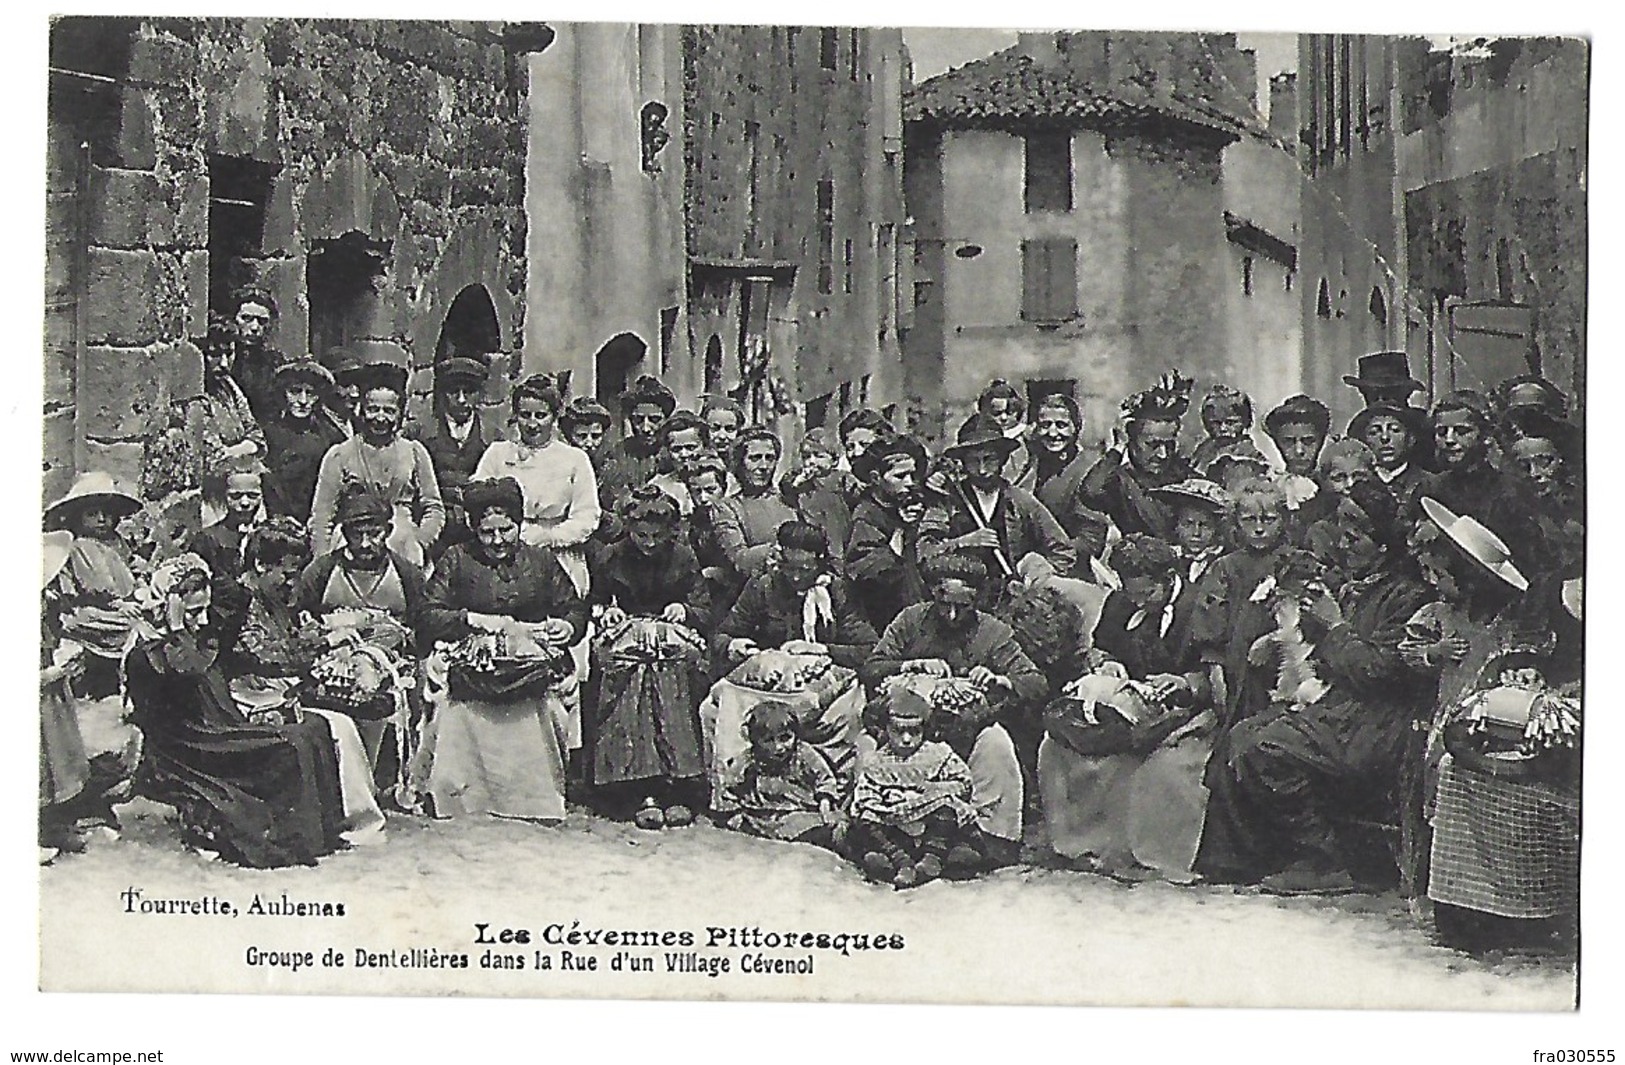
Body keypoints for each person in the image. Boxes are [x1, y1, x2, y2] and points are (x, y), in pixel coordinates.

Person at [1196, 482, 1433, 892]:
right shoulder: (1350, 584)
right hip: (1338, 707)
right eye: (1341, 531)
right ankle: (1240, 860)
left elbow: (1380, 671)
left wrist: (1335, 625)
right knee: (1240, 735)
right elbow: (1315, 648)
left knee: (1266, 747)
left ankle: (1326, 860)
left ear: (1381, 545)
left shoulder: (1406, 595)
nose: (1344, 543)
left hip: (1378, 720)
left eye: (1355, 536)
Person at [124, 554, 346, 867]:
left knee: (315, 726)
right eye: (193, 613)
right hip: (188, 745)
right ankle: (300, 838)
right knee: (289, 745)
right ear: (168, 606)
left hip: (219, 728)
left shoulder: (193, 639)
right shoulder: (148, 652)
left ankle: (325, 834)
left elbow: (236, 602)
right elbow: (189, 672)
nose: (202, 620)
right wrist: (176, 627)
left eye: (204, 610)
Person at [1038, 534, 1213, 882]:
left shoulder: (1199, 606)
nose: (1138, 601)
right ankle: (1090, 845)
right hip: (1130, 709)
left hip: (1189, 714)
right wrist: (1108, 665)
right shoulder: (1121, 603)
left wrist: (1183, 682)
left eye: (1147, 594)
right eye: (1132, 593)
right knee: (1058, 747)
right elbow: (1101, 648)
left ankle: (1160, 857)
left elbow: (1216, 670)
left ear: (1167, 579)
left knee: (1165, 768)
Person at [419, 478, 586, 823]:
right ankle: (461, 795)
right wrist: (472, 620)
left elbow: (573, 607)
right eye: (487, 533)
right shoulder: (456, 558)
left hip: (528, 658)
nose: (497, 541)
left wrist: (566, 627)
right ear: (474, 529)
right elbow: (429, 612)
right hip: (473, 649)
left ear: (519, 524)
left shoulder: (540, 560)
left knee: (546, 695)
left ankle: (535, 798)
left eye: (506, 530)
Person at [862, 552, 1045, 861]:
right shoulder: (910, 620)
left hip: (966, 731)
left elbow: (1036, 682)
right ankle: (883, 836)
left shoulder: (993, 632)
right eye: (944, 605)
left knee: (997, 743)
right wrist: (913, 664)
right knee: (865, 744)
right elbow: (871, 667)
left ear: (977, 601)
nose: (951, 615)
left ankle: (988, 839)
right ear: (933, 594)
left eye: (962, 607)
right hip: (907, 733)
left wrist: (1000, 679)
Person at [217, 518, 388, 844]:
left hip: (273, 692)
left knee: (350, 722)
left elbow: (289, 642)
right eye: (287, 572)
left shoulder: (272, 599)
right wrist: (324, 645)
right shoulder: (235, 600)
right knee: (336, 728)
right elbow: (262, 656)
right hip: (242, 699)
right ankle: (354, 822)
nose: (292, 582)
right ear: (259, 564)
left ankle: (353, 819)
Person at [587, 487, 713, 825]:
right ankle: (639, 788)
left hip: (671, 639)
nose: (649, 543)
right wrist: (606, 611)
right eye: (641, 535)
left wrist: (684, 609)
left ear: (671, 532)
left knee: (670, 674)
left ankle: (678, 786)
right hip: (626, 637)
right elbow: (594, 600)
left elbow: (703, 605)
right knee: (630, 676)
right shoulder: (611, 556)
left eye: (657, 535)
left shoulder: (684, 557)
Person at [295, 485, 428, 770]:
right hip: (332, 669)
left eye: (374, 533)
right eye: (357, 535)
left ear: (389, 530)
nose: (366, 543)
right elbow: (299, 620)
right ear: (344, 534)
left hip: (391, 668)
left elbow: (423, 630)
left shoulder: (407, 574)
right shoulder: (321, 572)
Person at [309, 362, 445, 568]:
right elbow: (322, 516)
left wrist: (420, 540)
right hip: (352, 543)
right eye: (373, 409)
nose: (380, 418)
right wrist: (321, 563)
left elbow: (433, 507)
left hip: (403, 544)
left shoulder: (415, 452)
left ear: (400, 413)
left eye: (389, 411)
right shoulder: (340, 454)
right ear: (361, 410)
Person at [847, 685, 978, 889]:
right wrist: (884, 801)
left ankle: (933, 858)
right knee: (865, 818)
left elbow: (963, 783)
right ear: (887, 729)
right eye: (899, 731)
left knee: (947, 811)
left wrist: (936, 788)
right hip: (893, 819)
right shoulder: (877, 761)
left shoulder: (938, 754)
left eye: (914, 732)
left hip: (929, 817)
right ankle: (900, 860)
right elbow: (865, 794)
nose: (906, 739)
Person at [919, 421, 1076, 591]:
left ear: (1003, 459)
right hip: (959, 597)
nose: (982, 470)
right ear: (963, 462)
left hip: (1009, 598)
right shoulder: (948, 499)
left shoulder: (1020, 501)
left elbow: (1063, 551)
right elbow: (924, 552)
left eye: (989, 459)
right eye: (973, 461)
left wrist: (1038, 576)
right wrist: (962, 543)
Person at [1188, 477, 1293, 729]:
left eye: (1268, 520)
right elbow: (1210, 622)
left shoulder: (1293, 562)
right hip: (1237, 668)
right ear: (1236, 523)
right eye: (1249, 520)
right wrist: (1216, 674)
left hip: (1285, 666)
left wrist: (1273, 640)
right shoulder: (1225, 567)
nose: (1259, 529)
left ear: (1283, 521)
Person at [717, 520, 879, 672]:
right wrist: (732, 645)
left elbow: (868, 648)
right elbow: (722, 635)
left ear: (819, 563)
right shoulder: (764, 586)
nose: (795, 577)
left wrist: (822, 650)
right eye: (788, 568)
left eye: (805, 570)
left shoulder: (837, 590)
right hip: (772, 673)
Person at [43, 472, 144, 700]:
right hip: (88, 611)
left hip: (123, 603)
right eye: (92, 514)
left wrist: (141, 584)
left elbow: (129, 571)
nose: (101, 519)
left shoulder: (115, 541)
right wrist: (117, 603)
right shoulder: (81, 546)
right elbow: (94, 586)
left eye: (106, 514)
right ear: (78, 518)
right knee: (135, 629)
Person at [1079, 374, 1197, 541]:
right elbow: (1090, 493)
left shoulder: (1184, 477)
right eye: (1152, 445)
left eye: (1169, 445)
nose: (1162, 455)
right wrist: (1118, 448)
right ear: (1131, 440)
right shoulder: (1121, 482)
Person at [716, 701, 843, 849]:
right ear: (755, 740)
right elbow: (730, 788)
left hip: (797, 812)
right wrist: (734, 813)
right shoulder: (748, 759)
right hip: (759, 814)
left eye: (785, 738)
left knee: (825, 828)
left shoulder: (804, 753)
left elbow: (825, 779)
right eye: (768, 741)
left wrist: (825, 806)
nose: (778, 747)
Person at [408, 356, 498, 557]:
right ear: (441, 394)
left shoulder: (493, 436)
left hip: (476, 536)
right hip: (432, 534)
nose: (461, 400)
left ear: (479, 394)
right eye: (453, 392)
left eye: (469, 392)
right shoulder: (419, 433)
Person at [843, 434, 929, 632]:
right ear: (875, 478)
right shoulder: (866, 517)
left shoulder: (908, 506)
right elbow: (872, 572)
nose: (909, 482)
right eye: (900, 476)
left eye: (912, 475)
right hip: (885, 618)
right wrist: (902, 532)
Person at [40, 531, 90, 863]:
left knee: (57, 758)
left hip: (48, 696)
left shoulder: (46, 607)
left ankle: (51, 825)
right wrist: (49, 674)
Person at [1027, 392, 1111, 564]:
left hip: (1066, 567)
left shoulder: (1089, 471)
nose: (1052, 433)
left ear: (1076, 427)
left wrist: (1047, 559)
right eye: (1045, 425)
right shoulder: (1031, 462)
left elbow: (1090, 542)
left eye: (1061, 425)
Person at [262, 358, 346, 524]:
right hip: (278, 518)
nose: (303, 400)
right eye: (295, 391)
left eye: (310, 393)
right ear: (283, 394)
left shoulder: (331, 435)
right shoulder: (268, 433)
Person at [716, 426, 797, 576]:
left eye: (770, 458)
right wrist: (778, 550)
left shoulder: (789, 500)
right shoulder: (728, 508)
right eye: (755, 458)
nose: (764, 466)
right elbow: (738, 559)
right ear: (740, 463)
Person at [1262, 394, 1334, 542]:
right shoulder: (1271, 487)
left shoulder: (1332, 487)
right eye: (1289, 442)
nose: (1299, 451)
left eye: (1308, 441)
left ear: (1321, 441)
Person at [597, 374, 676, 507]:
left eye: (654, 420)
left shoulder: (675, 453)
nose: (645, 428)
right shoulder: (619, 454)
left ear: (666, 420)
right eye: (638, 420)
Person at [1348, 401, 1431, 519]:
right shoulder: (1354, 483)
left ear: (1411, 439)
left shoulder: (1429, 484)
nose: (1385, 438)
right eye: (1374, 432)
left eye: (1395, 430)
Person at [190, 459, 267, 583]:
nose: (245, 503)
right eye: (235, 496)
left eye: (253, 495)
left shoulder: (271, 537)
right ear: (224, 497)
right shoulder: (209, 539)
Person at [226, 286, 291, 425]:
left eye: (262, 321)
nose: (255, 327)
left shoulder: (274, 363)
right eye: (246, 318)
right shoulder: (220, 358)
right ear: (233, 319)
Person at [1152, 478, 1230, 588]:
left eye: (1205, 525)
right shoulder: (1166, 558)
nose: (1196, 533)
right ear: (1177, 526)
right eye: (1188, 524)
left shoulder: (1227, 563)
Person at [1190, 385, 1260, 474]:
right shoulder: (1204, 449)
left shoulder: (1247, 453)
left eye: (1230, 423)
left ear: (1245, 421)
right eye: (1216, 423)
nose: (1223, 429)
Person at [701, 395, 747, 494]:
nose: (722, 436)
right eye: (715, 428)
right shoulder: (698, 466)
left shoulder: (744, 466)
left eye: (730, 429)